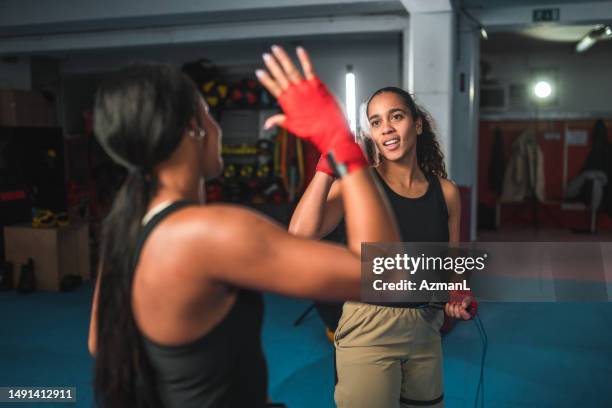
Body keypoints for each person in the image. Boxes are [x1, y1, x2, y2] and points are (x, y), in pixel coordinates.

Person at [87, 46, 401, 408]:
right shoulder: (212, 234)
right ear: (194, 127)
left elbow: (100, 341)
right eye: (208, 114)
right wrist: (341, 146)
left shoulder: (126, 229)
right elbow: (385, 277)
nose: (216, 126)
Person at [290, 86, 477, 408]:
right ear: (372, 134)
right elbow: (299, 235)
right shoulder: (359, 184)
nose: (386, 128)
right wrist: (326, 167)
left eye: (396, 117)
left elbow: (450, 265)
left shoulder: (446, 192)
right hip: (368, 326)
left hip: (425, 329)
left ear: (417, 125)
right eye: (376, 122)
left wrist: (457, 295)